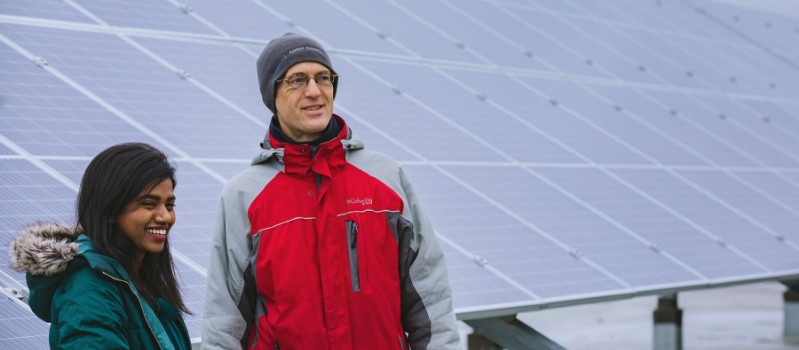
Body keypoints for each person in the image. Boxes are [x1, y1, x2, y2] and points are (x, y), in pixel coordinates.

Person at [202, 33, 461, 349]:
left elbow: (430, 295)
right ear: (272, 94)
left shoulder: (386, 178)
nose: (314, 91)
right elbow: (224, 322)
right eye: (297, 80)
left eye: (323, 78)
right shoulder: (243, 196)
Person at [9, 142, 192, 349]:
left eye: (169, 205)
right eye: (149, 204)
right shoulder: (88, 290)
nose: (165, 216)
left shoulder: (139, 280)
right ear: (111, 210)